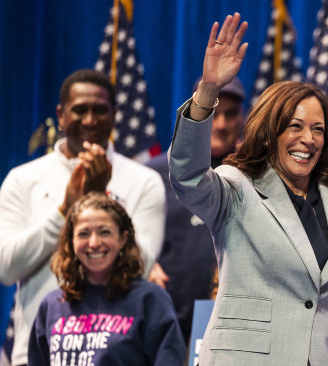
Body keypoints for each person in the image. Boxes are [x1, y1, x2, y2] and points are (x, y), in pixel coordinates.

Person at [168, 13, 328, 365]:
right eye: (295, 126)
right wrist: (208, 91)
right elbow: (187, 176)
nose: (308, 139)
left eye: (318, 129)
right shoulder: (236, 187)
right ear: (269, 131)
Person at [0, 69, 165, 365]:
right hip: (38, 352)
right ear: (61, 115)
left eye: (100, 110)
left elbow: (140, 267)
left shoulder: (145, 181)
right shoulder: (22, 179)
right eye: (79, 110)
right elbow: (6, 268)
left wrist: (100, 199)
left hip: (117, 354)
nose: (89, 120)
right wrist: (65, 210)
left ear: (115, 114)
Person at [28, 193, 185, 365]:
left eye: (104, 232)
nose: (94, 243)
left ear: (123, 238)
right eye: (83, 234)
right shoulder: (52, 304)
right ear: (71, 240)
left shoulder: (150, 299)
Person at [146, 76, 245, 345]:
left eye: (231, 114)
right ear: (198, 113)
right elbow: (126, 233)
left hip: (237, 324)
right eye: (214, 113)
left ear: (243, 118)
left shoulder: (252, 174)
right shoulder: (155, 174)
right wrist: (142, 261)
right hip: (168, 325)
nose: (222, 125)